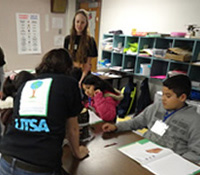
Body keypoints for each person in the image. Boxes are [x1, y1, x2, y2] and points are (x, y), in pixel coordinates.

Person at [0, 48, 89, 175]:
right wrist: (78, 152)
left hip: (6, 159)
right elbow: (72, 129)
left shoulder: (27, 84)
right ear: (68, 67)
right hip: (37, 166)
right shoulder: (69, 84)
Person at [102, 75, 200, 163]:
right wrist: (116, 127)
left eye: (168, 96)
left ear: (182, 97)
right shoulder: (157, 107)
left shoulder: (194, 120)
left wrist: (175, 162)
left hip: (168, 161)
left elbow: (196, 153)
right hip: (145, 151)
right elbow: (136, 122)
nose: (163, 99)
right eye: (163, 94)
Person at [64, 9, 98, 87]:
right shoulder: (68, 39)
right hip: (70, 75)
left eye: (82, 22)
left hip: (83, 77)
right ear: (74, 22)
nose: (79, 25)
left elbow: (87, 65)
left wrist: (81, 81)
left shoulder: (90, 41)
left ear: (86, 24)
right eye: (77, 22)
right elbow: (66, 61)